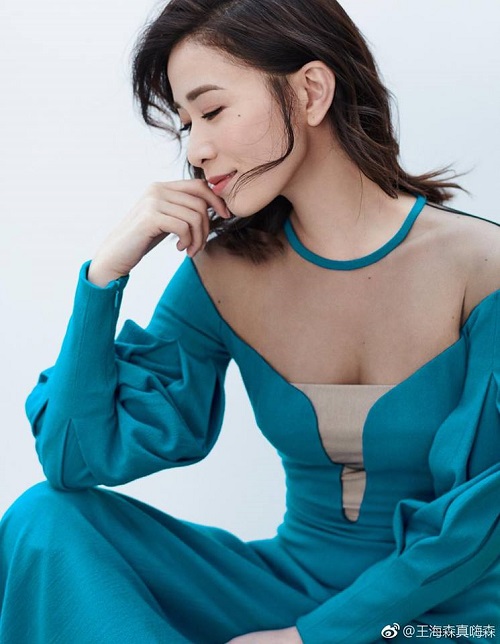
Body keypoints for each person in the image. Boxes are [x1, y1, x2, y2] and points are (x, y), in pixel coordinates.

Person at [1, 0, 499, 642]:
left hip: (445, 618)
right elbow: (74, 460)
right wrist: (103, 278)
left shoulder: (482, 268)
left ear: (311, 91)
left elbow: (485, 517)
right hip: (281, 588)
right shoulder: (221, 272)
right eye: (185, 125)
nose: (197, 148)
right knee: (46, 519)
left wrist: (312, 638)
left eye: (211, 111)